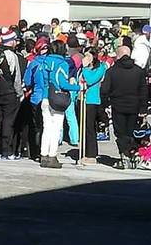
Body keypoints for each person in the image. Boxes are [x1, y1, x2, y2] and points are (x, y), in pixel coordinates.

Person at [101, 46, 148, 170]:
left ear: (118, 55)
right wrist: (143, 109)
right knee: (131, 132)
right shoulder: (138, 71)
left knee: (120, 133)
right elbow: (143, 91)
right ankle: (132, 154)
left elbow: (105, 90)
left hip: (118, 106)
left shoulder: (112, 71)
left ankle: (125, 155)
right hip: (135, 107)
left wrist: (105, 105)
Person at [38, 40, 82, 169]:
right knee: (56, 128)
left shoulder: (44, 62)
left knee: (46, 128)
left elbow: (41, 80)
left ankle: (44, 155)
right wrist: (77, 87)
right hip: (57, 98)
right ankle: (52, 156)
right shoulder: (62, 63)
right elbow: (62, 83)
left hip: (45, 98)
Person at [0, 28, 23, 159]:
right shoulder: (11, 56)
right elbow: (16, 77)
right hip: (9, 93)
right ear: (11, 41)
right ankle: (7, 151)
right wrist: (19, 93)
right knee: (8, 122)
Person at [23, 37, 50, 161]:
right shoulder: (52, 62)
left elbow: (27, 81)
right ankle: (46, 150)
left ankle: (35, 152)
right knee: (47, 125)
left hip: (36, 98)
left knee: (36, 127)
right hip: (49, 97)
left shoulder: (34, 63)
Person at [80, 49, 107, 164]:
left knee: (90, 128)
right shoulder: (83, 69)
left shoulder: (101, 67)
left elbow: (91, 80)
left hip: (92, 100)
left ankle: (92, 154)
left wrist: (85, 68)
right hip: (82, 99)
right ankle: (84, 150)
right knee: (83, 127)